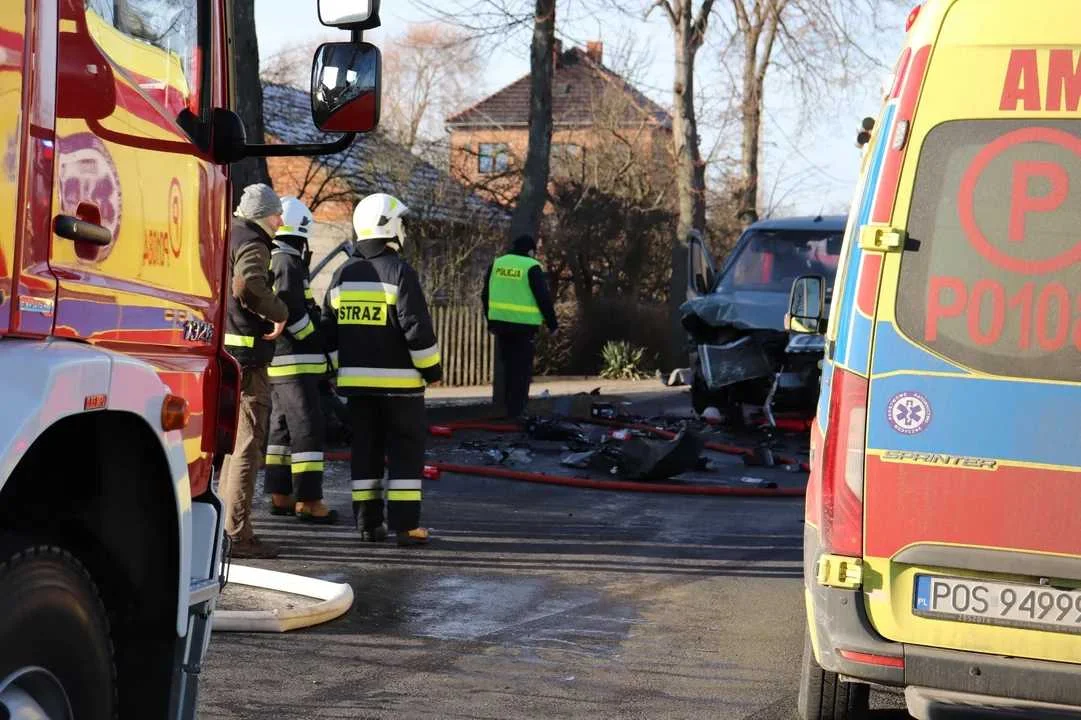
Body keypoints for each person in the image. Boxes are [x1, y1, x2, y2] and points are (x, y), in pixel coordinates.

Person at [321, 193, 441, 547]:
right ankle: (405, 526)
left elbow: (329, 331)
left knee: (365, 453)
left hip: (356, 390)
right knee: (405, 453)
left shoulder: (342, 275)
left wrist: (336, 369)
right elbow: (416, 330)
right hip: (401, 390)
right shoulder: (400, 272)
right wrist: (432, 370)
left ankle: (368, 526)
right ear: (388, 227)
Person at [220, 184, 290, 559]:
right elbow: (247, 283)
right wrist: (278, 312)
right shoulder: (254, 241)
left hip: (226, 353)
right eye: (277, 213)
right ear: (263, 213)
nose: (280, 222)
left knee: (230, 445)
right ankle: (237, 535)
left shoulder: (224, 231)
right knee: (247, 445)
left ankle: (223, 529)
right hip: (248, 360)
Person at [264, 197, 337, 524]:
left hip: (281, 362)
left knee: (280, 432)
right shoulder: (287, 262)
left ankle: (281, 494)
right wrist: (315, 337)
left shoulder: (279, 259)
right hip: (296, 362)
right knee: (307, 429)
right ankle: (309, 500)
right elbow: (292, 312)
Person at [481, 234, 558, 419]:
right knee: (521, 370)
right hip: (524, 327)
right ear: (531, 250)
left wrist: (490, 321)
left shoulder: (497, 264)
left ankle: (507, 408)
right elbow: (543, 298)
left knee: (508, 368)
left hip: (501, 326)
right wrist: (552, 324)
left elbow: (485, 295)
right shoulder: (531, 266)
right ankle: (517, 411)